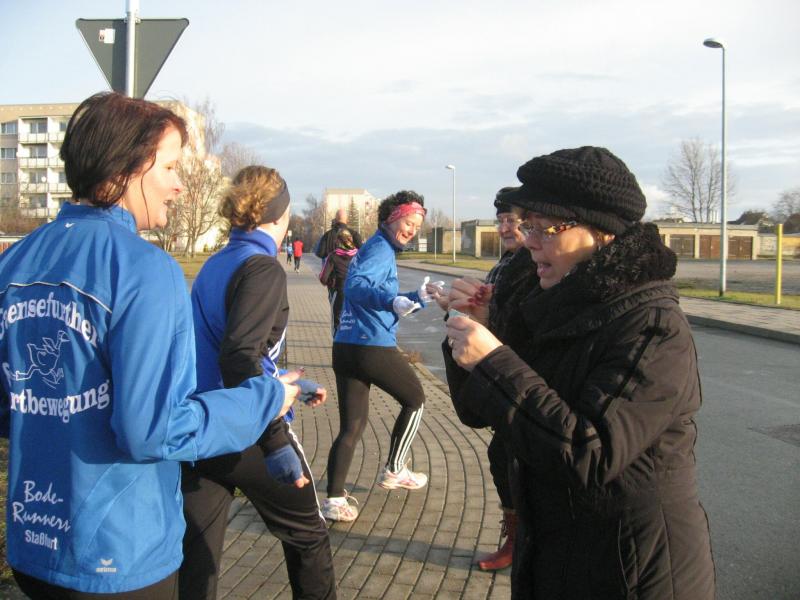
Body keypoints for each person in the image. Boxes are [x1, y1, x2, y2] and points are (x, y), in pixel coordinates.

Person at [0, 92, 298, 599]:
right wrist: (266, 398)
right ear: (127, 168)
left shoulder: (16, 261)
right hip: (117, 553)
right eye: (170, 167)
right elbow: (155, 430)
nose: (179, 185)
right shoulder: (144, 269)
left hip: (34, 544)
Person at [443, 146, 715, 599]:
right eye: (526, 225)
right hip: (555, 553)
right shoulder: (548, 304)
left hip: (630, 570)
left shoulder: (653, 325)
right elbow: (480, 413)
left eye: (542, 227)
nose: (528, 240)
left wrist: (493, 360)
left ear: (600, 232)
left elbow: (590, 453)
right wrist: (482, 333)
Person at [180, 165, 335, 599]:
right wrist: (275, 442)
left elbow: (224, 347)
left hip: (202, 424)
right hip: (247, 429)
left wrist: (293, 384)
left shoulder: (218, 262)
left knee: (197, 554)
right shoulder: (262, 268)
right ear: (280, 215)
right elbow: (238, 357)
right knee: (308, 536)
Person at [322, 190, 434, 522]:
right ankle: (395, 469)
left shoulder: (375, 246)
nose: (412, 230)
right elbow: (355, 286)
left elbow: (379, 296)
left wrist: (417, 297)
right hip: (370, 346)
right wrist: (391, 301)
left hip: (346, 346)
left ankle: (333, 500)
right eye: (408, 223)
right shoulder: (381, 249)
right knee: (415, 399)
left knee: (352, 427)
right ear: (391, 219)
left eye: (416, 226)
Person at [318, 228, 358, 336]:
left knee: (337, 322)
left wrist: (331, 283)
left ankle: (337, 342)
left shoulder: (333, 256)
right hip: (357, 293)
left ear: (338, 241)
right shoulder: (358, 255)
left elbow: (323, 278)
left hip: (339, 292)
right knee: (354, 321)